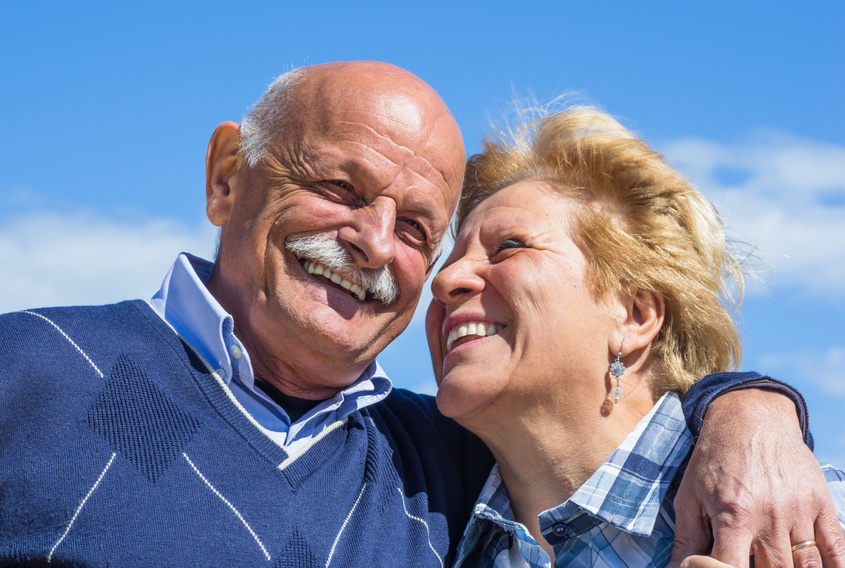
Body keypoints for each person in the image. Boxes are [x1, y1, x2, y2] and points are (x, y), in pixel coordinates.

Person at [0, 62, 838, 566]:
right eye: (337, 188)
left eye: (415, 230)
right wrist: (754, 412)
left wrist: (750, 414)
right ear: (225, 178)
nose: (424, 271)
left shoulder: (433, 467)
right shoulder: (28, 369)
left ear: (635, 315)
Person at [424, 105, 845, 567]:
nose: (447, 281)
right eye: (447, 262)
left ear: (634, 316)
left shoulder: (808, 523)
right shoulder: (429, 531)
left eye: (509, 246)